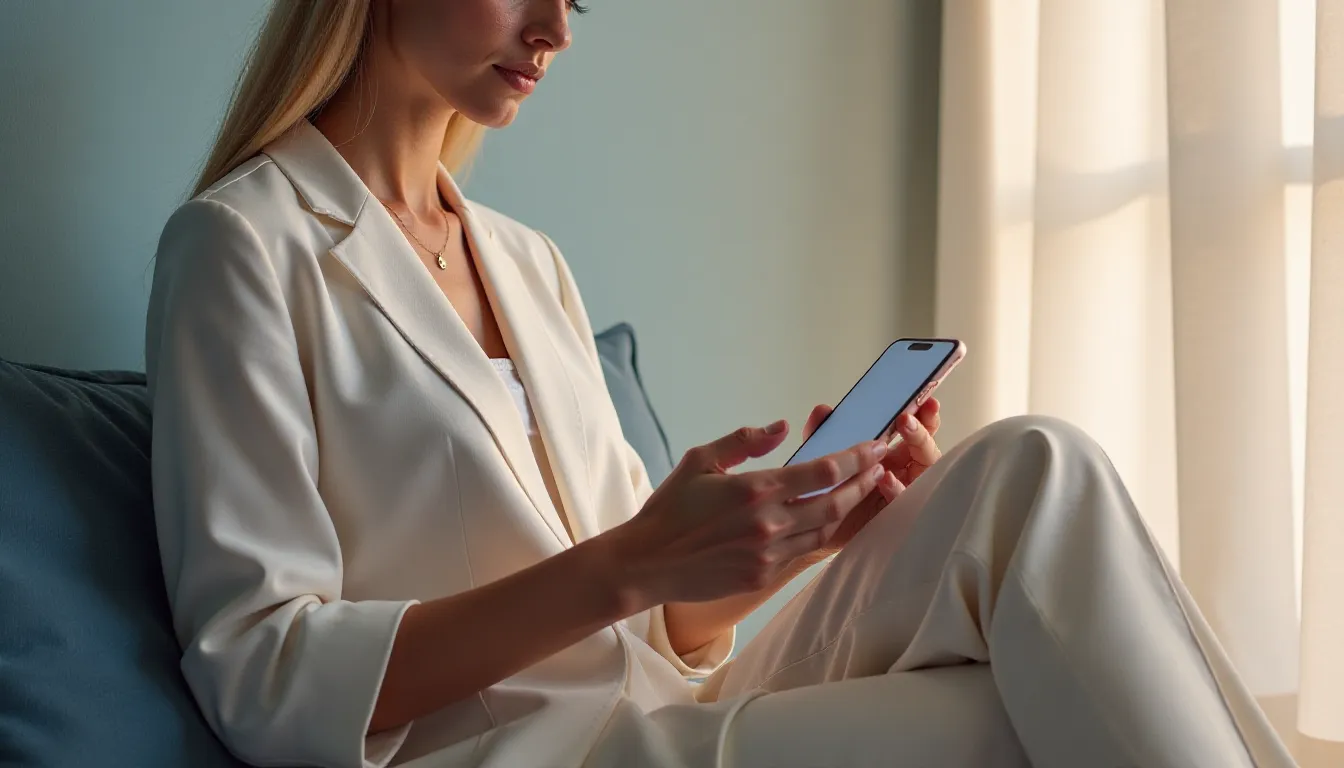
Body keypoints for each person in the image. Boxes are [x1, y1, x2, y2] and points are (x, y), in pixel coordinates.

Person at [144, 2, 1297, 767]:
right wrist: (633, 558)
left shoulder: (524, 260)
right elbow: (262, 670)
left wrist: (790, 532)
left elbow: (653, 628)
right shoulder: (242, 246)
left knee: (1029, 472)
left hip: (663, 713)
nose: (557, 28)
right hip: (523, 759)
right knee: (1028, 718)